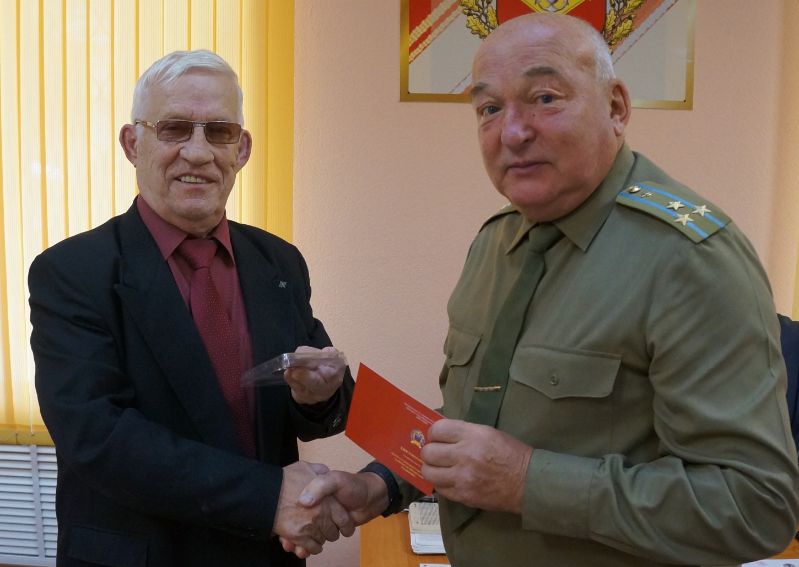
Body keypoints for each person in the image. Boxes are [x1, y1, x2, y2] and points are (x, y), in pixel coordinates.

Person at [292, 13, 799, 566]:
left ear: (616, 108)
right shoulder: (497, 242)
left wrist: (527, 482)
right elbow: (478, 424)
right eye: (489, 108)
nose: (512, 132)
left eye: (545, 98)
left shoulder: (689, 260)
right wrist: (380, 485)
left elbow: (756, 505)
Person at [29, 49, 355, 567]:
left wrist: (320, 395)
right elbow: (97, 437)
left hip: (267, 557)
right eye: (174, 129)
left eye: (219, 132)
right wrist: (269, 497)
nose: (198, 153)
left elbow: (315, 409)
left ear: (241, 150)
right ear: (132, 144)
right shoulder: (71, 271)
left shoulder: (279, 261)